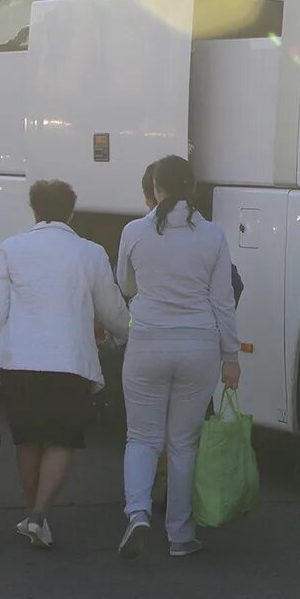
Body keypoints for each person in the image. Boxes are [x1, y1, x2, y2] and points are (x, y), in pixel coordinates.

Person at [0, 180, 130, 549]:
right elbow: (112, 310)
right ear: (71, 212)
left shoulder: (11, 248)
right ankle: (40, 515)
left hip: (19, 361)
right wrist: (129, 334)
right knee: (61, 440)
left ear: (34, 210)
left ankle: (33, 514)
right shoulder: (89, 253)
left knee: (28, 440)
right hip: (69, 361)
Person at [116, 155, 240, 560]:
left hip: (148, 340)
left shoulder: (134, 232)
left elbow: (126, 284)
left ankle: (137, 512)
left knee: (141, 437)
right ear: (193, 188)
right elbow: (222, 300)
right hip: (199, 345)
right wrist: (231, 356)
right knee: (184, 443)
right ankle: (180, 535)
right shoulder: (213, 237)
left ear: (155, 188)